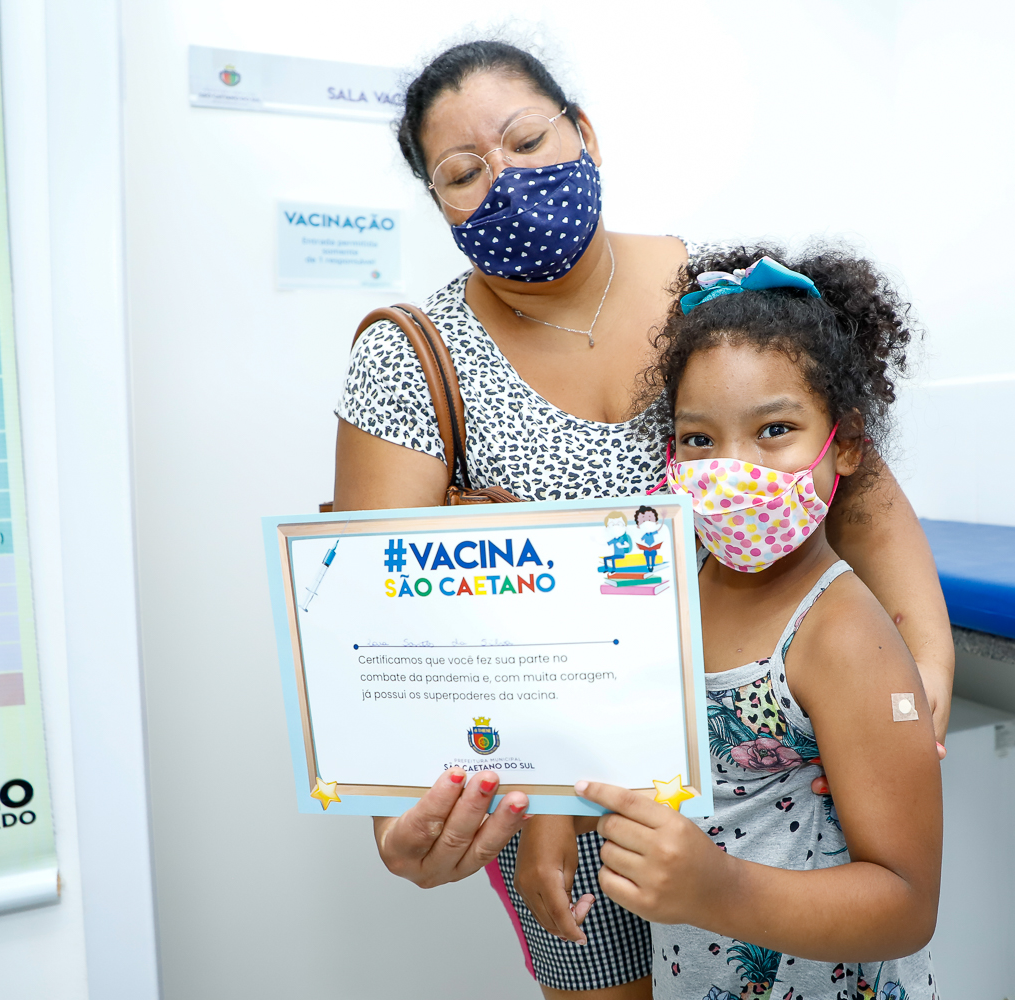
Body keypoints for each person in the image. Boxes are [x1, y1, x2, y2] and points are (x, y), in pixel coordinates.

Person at [329, 38, 954, 1000]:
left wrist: (923, 683)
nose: (505, 181)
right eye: (462, 172)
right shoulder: (415, 359)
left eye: (527, 140)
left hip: (774, 797)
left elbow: (864, 499)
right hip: (567, 801)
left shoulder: (716, 301)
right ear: (437, 202)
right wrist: (405, 817)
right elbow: (388, 627)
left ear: (583, 132)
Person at [578, 247, 940, 999]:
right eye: (698, 440)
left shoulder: (844, 637)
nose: (730, 469)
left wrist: (719, 889)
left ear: (845, 444)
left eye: (774, 430)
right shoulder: (670, 600)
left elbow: (907, 905)